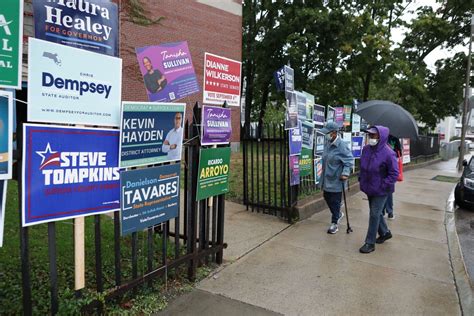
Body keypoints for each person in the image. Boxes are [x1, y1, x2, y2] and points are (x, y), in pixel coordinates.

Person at [359, 126, 399, 254]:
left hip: (382, 190)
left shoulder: (389, 153)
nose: (371, 138)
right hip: (369, 187)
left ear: (381, 137)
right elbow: (363, 166)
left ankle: (369, 243)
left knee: (374, 214)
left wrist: (383, 184)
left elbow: (394, 173)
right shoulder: (366, 149)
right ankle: (385, 232)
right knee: (375, 212)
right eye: (369, 135)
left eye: (373, 135)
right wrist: (362, 178)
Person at [320, 121, 354, 234]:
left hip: (337, 179)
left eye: (327, 133)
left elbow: (349, 161)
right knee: (326, 196)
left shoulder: (342, 146)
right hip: (327, 178)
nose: (326, 135)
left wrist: (345, 173)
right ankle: (338, 213)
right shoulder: (328, 143)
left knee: (334, 201)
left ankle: (334, 223)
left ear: (334, 133)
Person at [384, 134, 402, 220]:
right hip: (391, 168)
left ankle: (383, 211)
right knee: (389, 191)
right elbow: (399, 153)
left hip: (383, 168)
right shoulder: (395, 138)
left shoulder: (382, 137)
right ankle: (390, 212)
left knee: (382, 190)